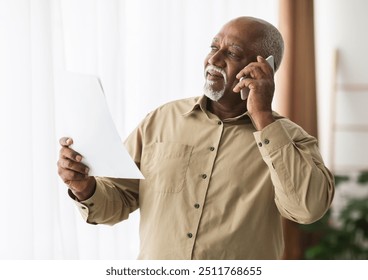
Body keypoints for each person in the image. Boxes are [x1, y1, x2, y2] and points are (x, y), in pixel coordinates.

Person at [57, 16, 335, 259]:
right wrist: (85, 187)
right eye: (214, 47)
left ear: (264, 69)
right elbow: (116, 202)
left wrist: (262, 116)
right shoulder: (160, 120)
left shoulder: (291, 140)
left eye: (232, 52)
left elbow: (307, 209)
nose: (213, 59)